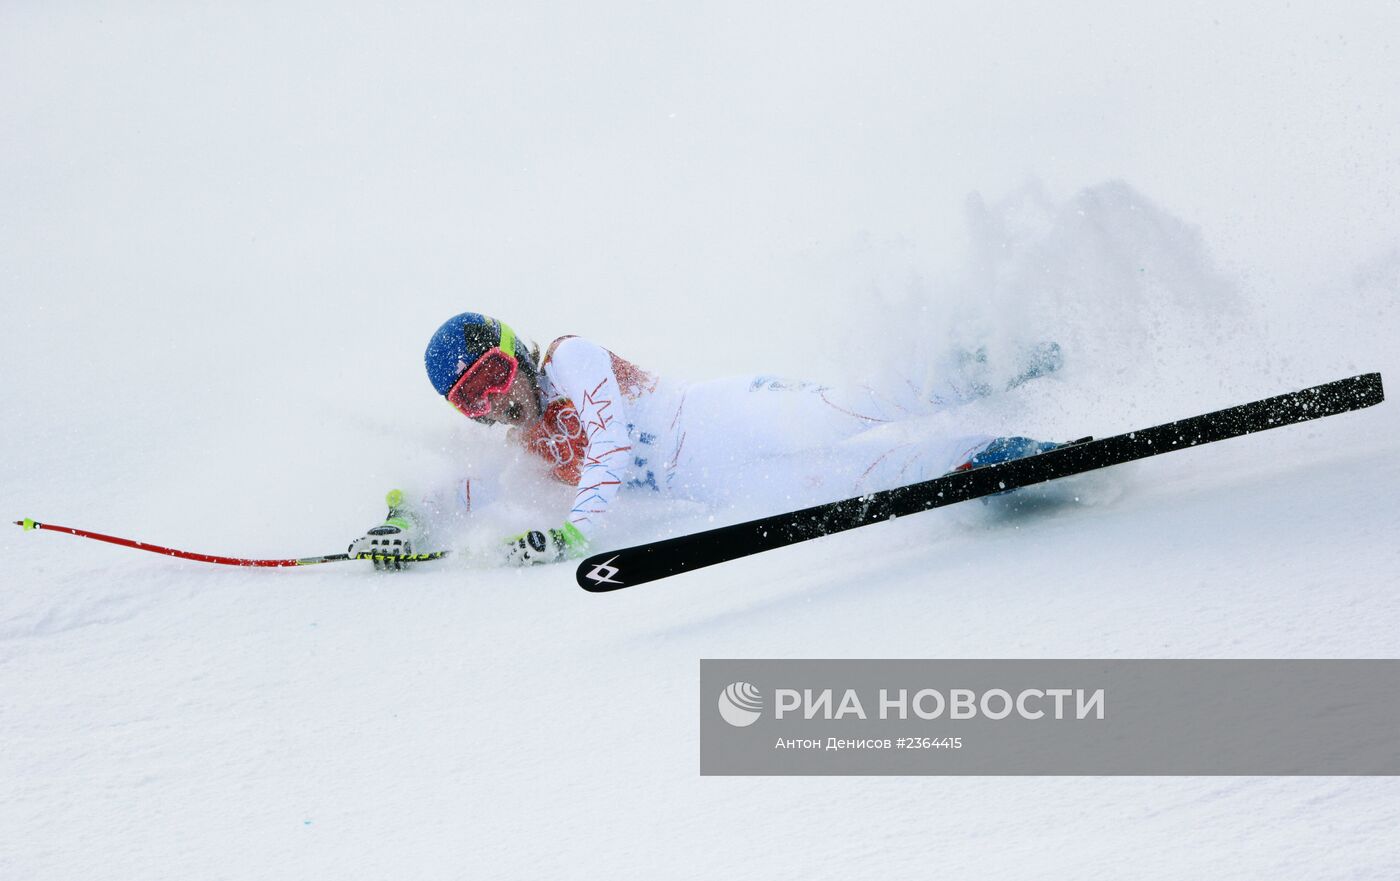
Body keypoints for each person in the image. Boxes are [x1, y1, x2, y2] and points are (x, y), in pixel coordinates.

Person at [347, 313, 1064, 569]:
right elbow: (459, 491)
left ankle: (998, 354)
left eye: (496, 373)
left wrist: (572, 534)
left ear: (516, 350)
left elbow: (614, 446)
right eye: (473, 398)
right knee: (870, 477)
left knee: (857, 406)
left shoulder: (570, 356)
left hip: (727, 420)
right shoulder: (525, 454)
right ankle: (1006, 456)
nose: (497, 400)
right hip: (727, 486)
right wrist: (400, 522)